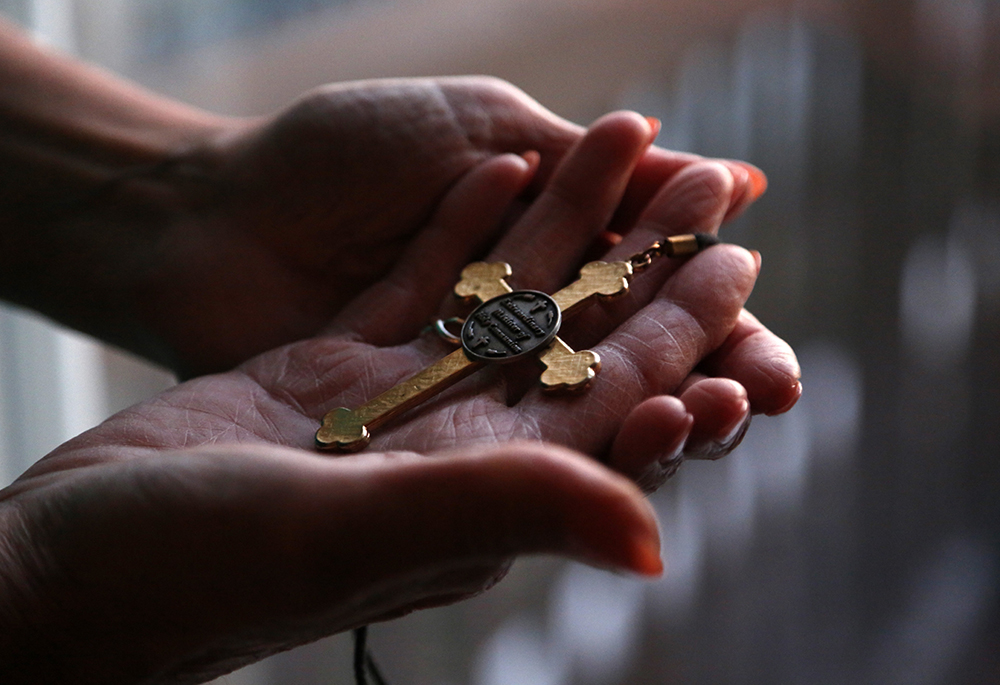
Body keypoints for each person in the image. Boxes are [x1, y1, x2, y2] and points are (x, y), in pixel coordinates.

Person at [0, 17, 800, 683]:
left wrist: (197, 199)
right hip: (462, 344)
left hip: (476, 333)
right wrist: (34, 589)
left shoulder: (527, 315)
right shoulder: (526, 323)